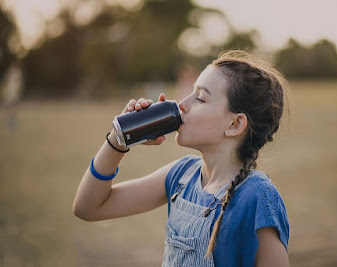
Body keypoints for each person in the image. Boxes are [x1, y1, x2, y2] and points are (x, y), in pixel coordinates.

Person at [73, 50, 290, 266]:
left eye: (200, 98)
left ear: (234, 125)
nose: (181, 104)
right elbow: (89, 207)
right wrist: (119, 139)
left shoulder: (257, 197)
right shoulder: (181, 175)